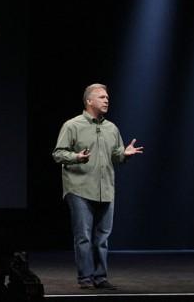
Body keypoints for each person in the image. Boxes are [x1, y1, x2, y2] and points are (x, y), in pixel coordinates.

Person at [52, 83, 144, 290]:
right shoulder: (72, 125)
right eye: (102, 97)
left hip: (106, 189)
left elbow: (116, 155)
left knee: (102, 238)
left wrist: (124, 154)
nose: (106, 100)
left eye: (107, 97)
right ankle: (85, 278)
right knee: (83, 237)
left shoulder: (111, 128)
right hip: (79, 188)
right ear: (89, 101)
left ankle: (100, 277)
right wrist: (76, 157)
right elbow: (58, 154)